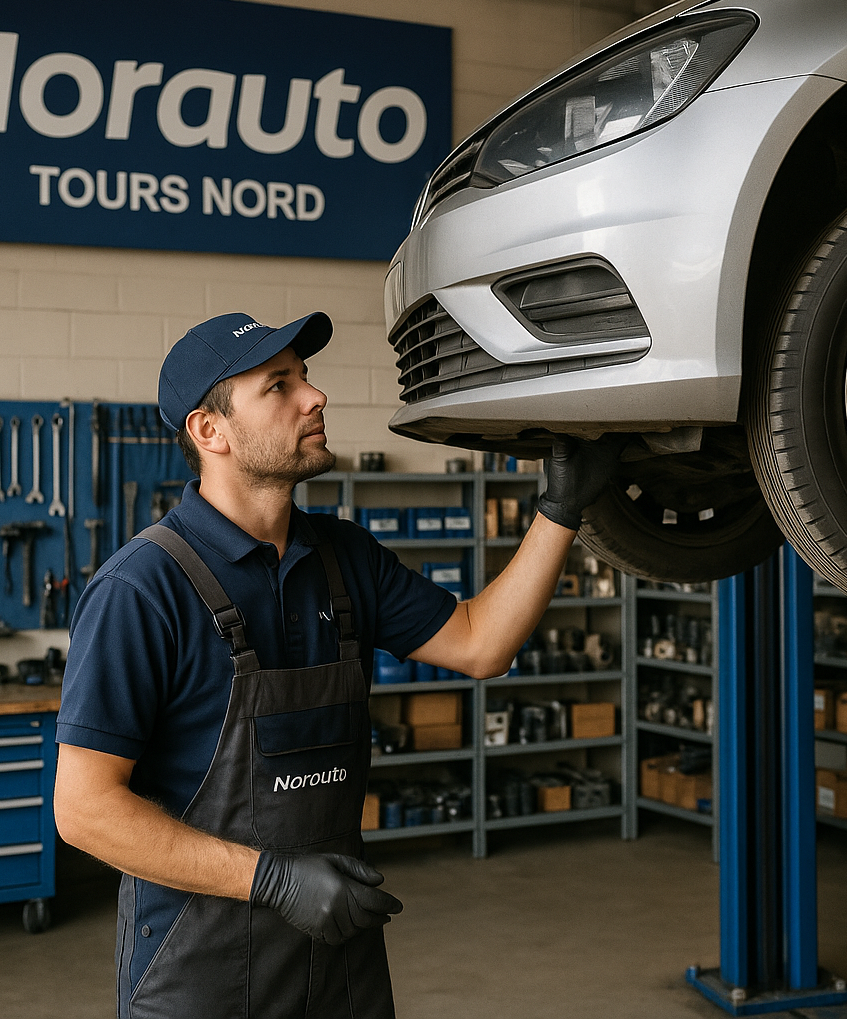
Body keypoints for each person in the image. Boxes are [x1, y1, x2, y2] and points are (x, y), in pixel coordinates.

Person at [53, 311, 620, 1019]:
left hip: (339, 961)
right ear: (210, 431)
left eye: (307, 378)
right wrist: (274, 882)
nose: (314, 397)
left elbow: (480, 643)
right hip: (200, 974)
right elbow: (83, 812)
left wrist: (559, 511)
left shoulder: (344, 558)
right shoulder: (140, 589)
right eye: (279, 385)